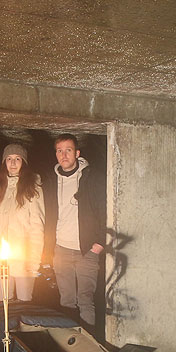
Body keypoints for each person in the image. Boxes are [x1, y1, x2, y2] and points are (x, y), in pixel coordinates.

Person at [48, 133, 106, 329]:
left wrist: (99, 244)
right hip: (61, 249)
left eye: (68, 150)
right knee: (66, 300)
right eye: (60, 151)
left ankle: (89, 345)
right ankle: (69, 344)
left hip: (87, 250)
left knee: (85, 300)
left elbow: (104, 210)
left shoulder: (91, 177)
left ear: (77, 153)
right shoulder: (51, 180)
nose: (64, 155)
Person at [0, 143, 44, 303]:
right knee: (3, 304)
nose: (12, 163)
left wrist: (33, 260)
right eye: (9, 159)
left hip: (23, 259)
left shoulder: (33, 187)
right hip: (0, 260)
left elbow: (37, 226)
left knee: (24, 305)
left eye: (17, 159)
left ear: (23, 162)